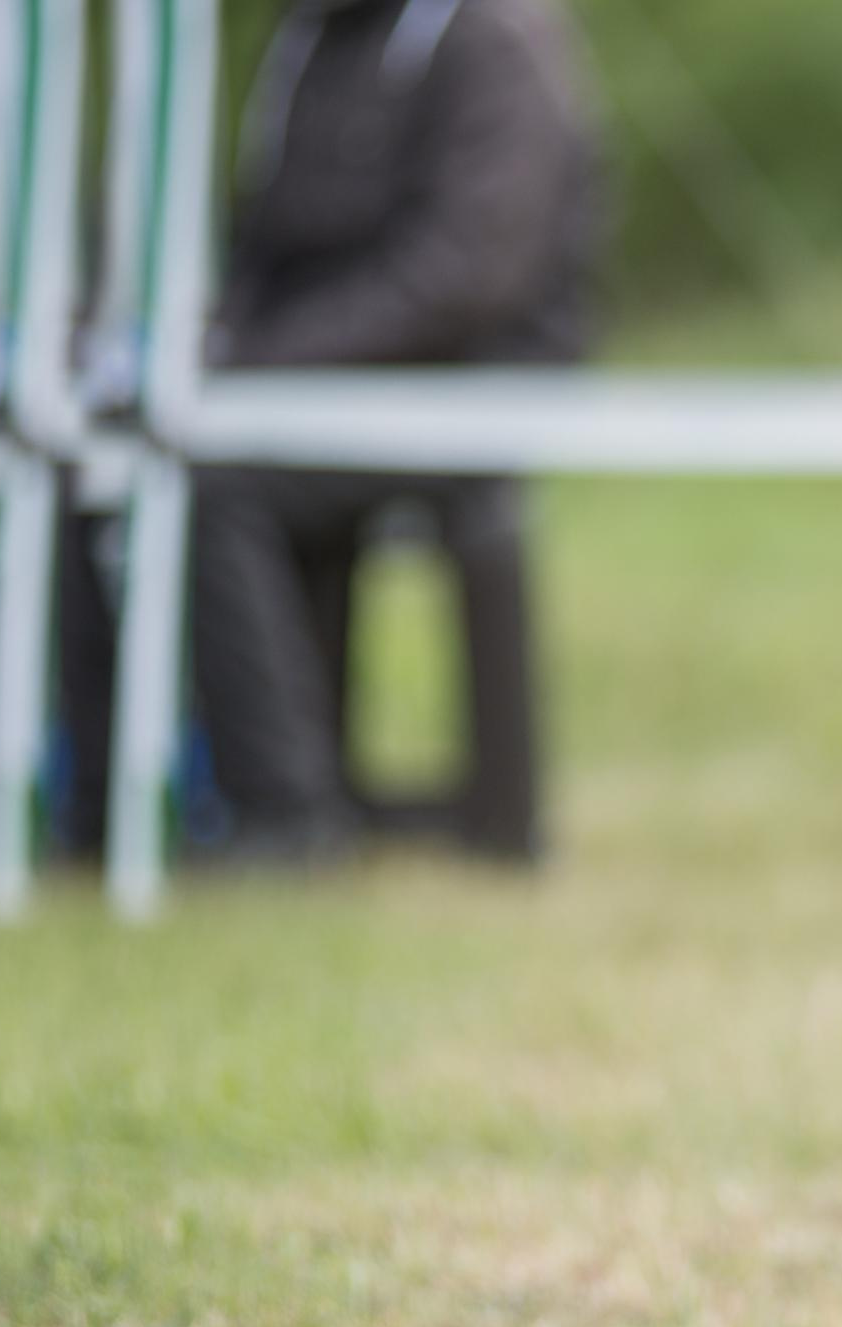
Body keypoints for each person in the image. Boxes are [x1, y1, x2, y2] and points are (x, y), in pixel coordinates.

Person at [189, 0, 602, 862]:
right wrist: (217, 344)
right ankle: (223, 788)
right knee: (162, 456)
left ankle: (288, 814)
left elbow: (467, 275)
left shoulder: (497, 39)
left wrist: (271, 361)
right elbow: (263, 238)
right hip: (322, 381)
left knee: (220, 487)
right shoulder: (309, 40)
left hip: (471, 388)